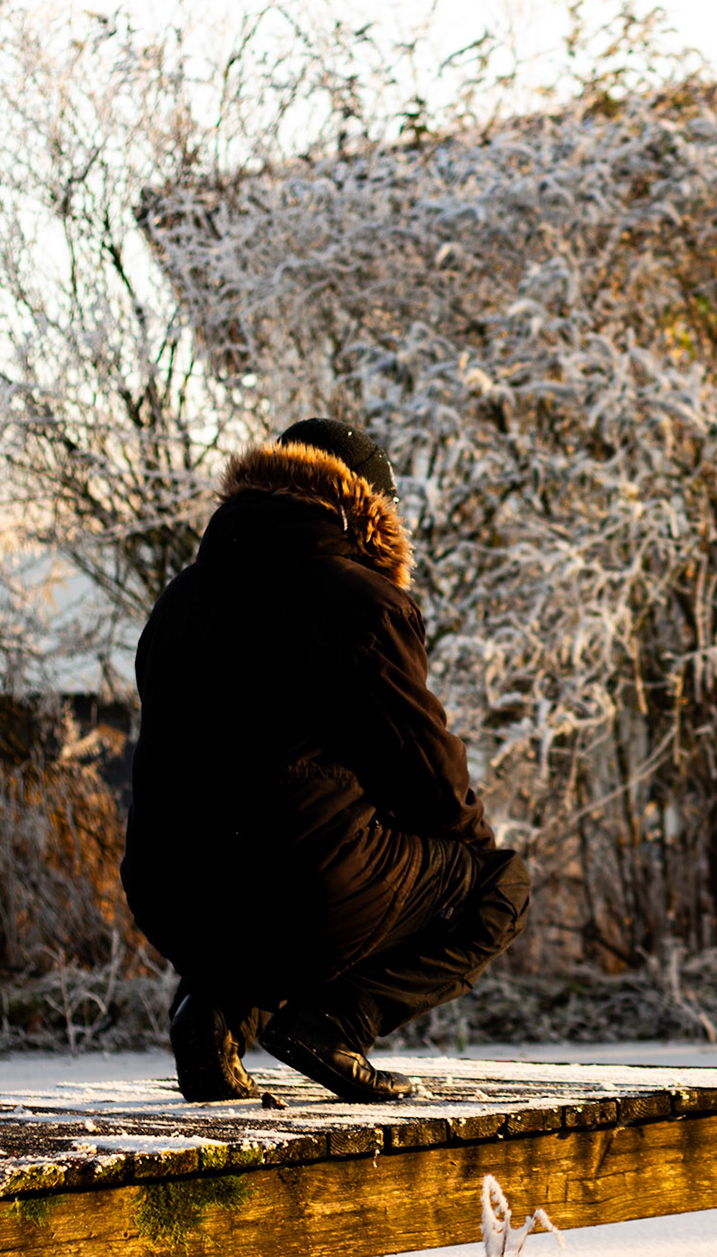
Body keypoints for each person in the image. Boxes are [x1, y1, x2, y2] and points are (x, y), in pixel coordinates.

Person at [122, 419, 529, 1102]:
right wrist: (468, 854)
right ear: (370, 508)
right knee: (497, 884)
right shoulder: (359, 599)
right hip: (297, 890)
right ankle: (334, 1024)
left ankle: (211, 1016)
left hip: (167, 894)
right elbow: (425, 768)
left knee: (274, 854)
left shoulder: (181, 598)